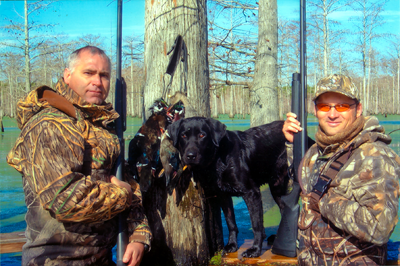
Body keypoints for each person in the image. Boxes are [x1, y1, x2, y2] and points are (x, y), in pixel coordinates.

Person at [7, 46, 152, 266]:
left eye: (104, 75)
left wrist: (139, 235)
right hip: (55, 260)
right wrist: (122, 194)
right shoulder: (49, 125)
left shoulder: (103, 129)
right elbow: (65, 200)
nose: (97, 81)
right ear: (67, 75)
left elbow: (129, 182)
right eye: (88, 73)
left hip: (102, 257)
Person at [282, 74, 400, 265]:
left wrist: (321, 199)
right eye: (324, 106)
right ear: (316, 110)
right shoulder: (316, 150)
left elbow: (380, 227)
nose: (332, 114)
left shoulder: (374, 155)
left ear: (358, 109)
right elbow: (300, 185)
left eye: (342, 106)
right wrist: (292, 145)